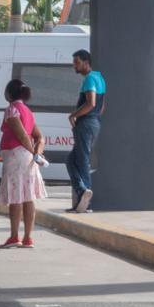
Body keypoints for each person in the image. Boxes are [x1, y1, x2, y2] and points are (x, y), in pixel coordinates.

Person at [0, 80, 47, 249]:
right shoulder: (28, 111)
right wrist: (37, 153)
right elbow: (40, 136)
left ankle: (14, 236)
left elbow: (22, 136)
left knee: (16, 197)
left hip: (16, 156)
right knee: (28, 196)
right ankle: (27, 238)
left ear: (10, 93)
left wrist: (33, 152)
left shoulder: (12, 110)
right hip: (28, 159)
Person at [67, 50, 105, 213]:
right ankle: (82, 192)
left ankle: (85, 197)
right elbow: (102, 106)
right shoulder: (99, 77)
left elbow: (91, 103)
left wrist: (73, 115)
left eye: (77, 62)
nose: (74, 65)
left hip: (85, 123)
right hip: (94, 122)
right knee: (71, 160)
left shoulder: (89, 79)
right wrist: (94, 119)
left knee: (81, 160)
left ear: (86, 62)